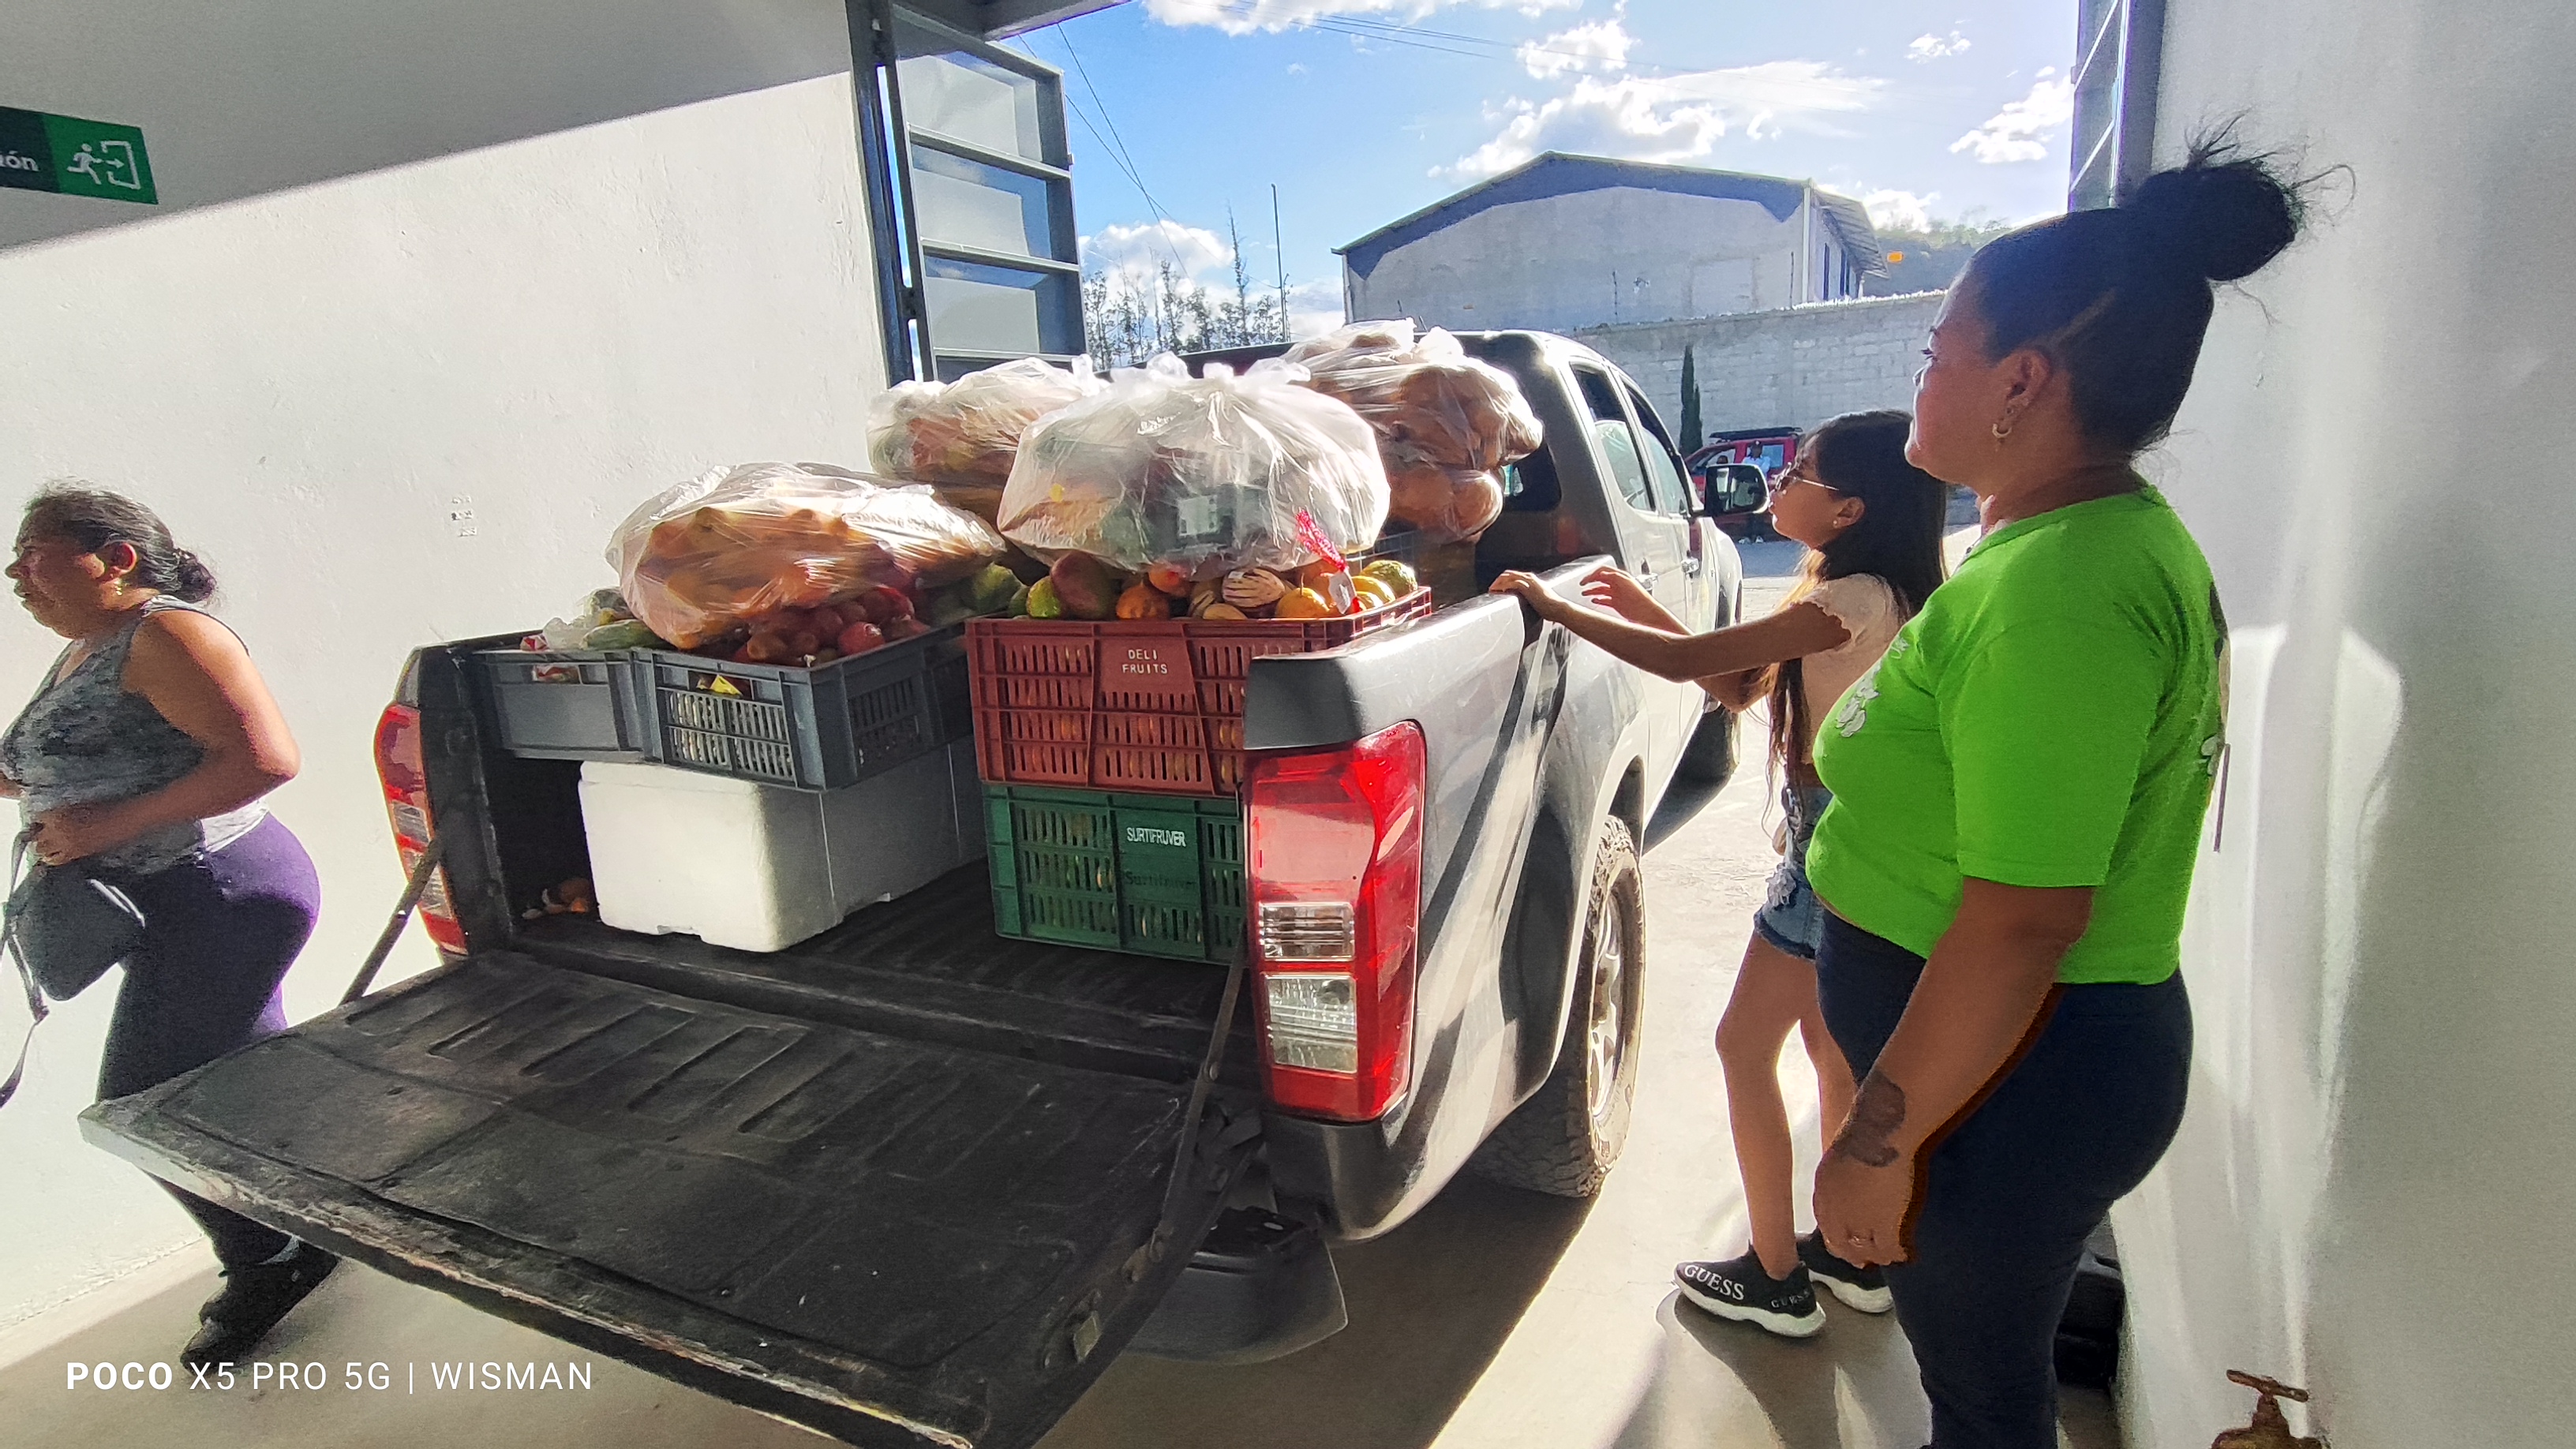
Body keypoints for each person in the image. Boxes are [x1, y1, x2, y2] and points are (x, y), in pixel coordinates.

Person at [1802, 135, 2307, 1447]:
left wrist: (1873, 1141)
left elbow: (2023, 917)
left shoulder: (2060, 595)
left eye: (1938, 349)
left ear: (2020, 380)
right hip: (2003, 1070)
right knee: (1978, 1389)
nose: (1921, 376)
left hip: (2012, 1080)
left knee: (1983, 1407)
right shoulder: (2057, 545)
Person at [1489, 409, 1948, 1337]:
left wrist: (1556, 608)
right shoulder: (1865, 592)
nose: (1781, 484)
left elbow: (1684, 662)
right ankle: (1851, 1256)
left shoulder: (1853, 599)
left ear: (1850, 508)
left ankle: (1775, 1275)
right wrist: (1635, 602)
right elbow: (1737, 687)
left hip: (1827, 859)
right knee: (1829, 1053)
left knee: (1744, 1049)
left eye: (1802, 472)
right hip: (1853, 844)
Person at [2, 485, 333, 1367]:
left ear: (115, 560)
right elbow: (50, 763)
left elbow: (266, 760)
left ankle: (270, 1261)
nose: (15, 573)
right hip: (163, 904)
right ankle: (313, 1226)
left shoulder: (171, 635)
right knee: (238, 1088)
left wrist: (103, 827)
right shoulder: (88, 646)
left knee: (140, 1106)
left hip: (219, 894)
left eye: (34, 555)